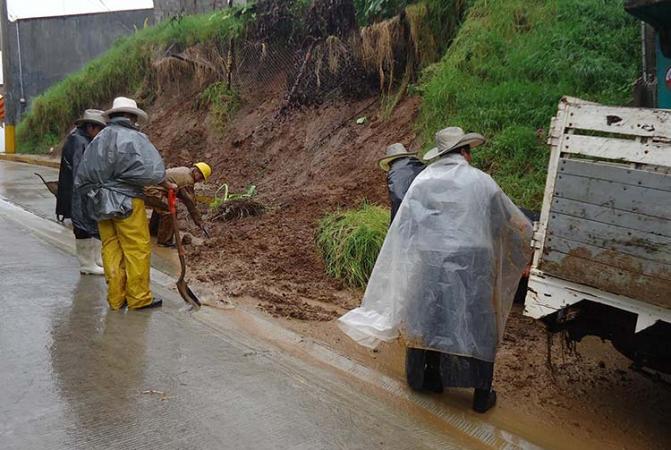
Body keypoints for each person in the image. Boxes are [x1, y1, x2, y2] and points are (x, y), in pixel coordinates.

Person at [339, 127, 533, 413]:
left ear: (441, 154)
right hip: (473, 262)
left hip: (430, 258)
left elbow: (406, 226)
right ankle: (481, 394)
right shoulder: (482, 181)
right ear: (465, 152)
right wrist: (522, 254)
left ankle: (426, 379)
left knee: (428, 315)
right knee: (478, 322)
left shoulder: (423, 180)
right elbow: (512, 223)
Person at [74, 97, 177, 311]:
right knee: (136, 248)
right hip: (127, 202)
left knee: (110, 247)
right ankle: (139, 298)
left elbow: (84, 175)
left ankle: (116, 298)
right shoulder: (135, 138)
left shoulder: (99, 138)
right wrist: (167, 184)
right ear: (131, 117)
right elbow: (151, 171)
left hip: (101, 203)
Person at [56, 109, 107, 275]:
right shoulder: (78, 141)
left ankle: (96, 259)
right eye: (99, 129)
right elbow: (80, 171)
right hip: (76, 191)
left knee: (92, 222)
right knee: (82, 225)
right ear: (91, 127)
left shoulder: (82, 138)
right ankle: (87, 263)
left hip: (82, 190)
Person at [145, 163, 212, 247]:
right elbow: (190, 204)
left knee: (162, 205)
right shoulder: (188, 180)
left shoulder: (185, 170)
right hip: (151, 191)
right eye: (201, 177)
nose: (199, 180)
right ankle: (164, 241)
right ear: (196, 171)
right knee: (170, 210)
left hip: (147, 187)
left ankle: (153, 231)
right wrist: (200, 222)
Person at [378, 143, 425, 223]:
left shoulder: (393, 174)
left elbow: (398, 201)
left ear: (390, 162)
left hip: (412, 217)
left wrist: (393, 227)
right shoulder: (420, 164)